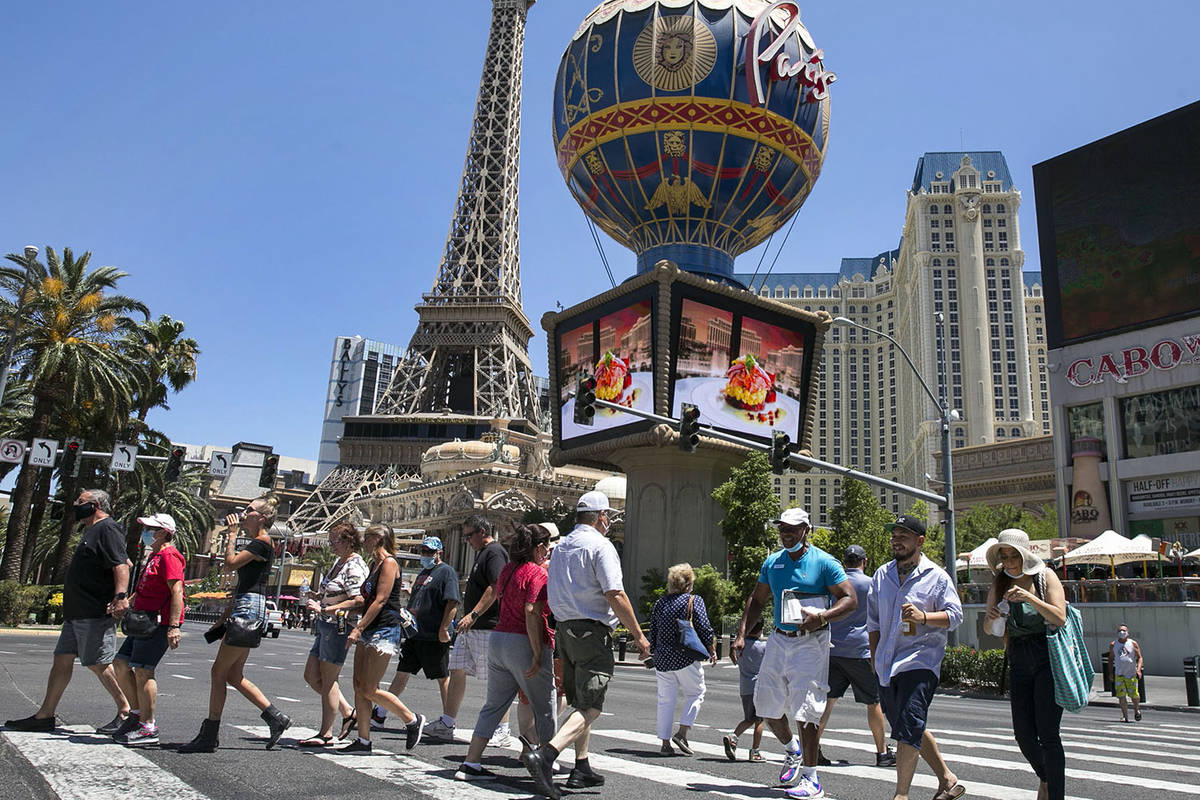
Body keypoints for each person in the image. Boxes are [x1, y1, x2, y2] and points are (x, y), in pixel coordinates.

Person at [521, 490, 650, 800]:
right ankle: (547, 754)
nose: (609, 523)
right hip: (592, 632)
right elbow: (615, 594)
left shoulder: (561, 546)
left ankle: (582, 766)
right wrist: (639, 636)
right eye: (608, 518)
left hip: (564, 630)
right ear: (601, 517)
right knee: (591, 705)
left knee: (579, 699)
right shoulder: (601, 546)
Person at [730, 507, 856, 800]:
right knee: (765, 707)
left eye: (792, 529)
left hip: (811, 641)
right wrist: (740, 635)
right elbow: (757, 598)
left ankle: (812, 780)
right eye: (782, 529)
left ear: (805, 530)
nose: (786, 534)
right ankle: (792, 750)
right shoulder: (773, 562)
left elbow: (850, 599)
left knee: (806, 708)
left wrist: (823, 617)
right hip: (779, 638)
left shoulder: (824, 562)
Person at [5, 489, 132, 734]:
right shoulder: (92, 531)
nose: (75, 505)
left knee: (99, 663)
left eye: (80, 502)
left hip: (94, 610)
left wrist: (120, 597)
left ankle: (126, 710)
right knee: (62, 660)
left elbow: (121, 564)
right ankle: (45, 715)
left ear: (95, 505)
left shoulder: (108, 528)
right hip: (77, 612)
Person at [179, 494, 292, 753]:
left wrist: (230, 534)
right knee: (232, 674)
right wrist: (223, 617)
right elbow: (244, 583)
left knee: (218, 672)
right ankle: (275, 717)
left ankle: (210, 733)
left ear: (261, 518)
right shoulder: (258, 542)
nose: (244, 513)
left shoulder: (262, 543)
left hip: (250, 607)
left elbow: (230, 565)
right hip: (247, 605)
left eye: (249, 510)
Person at [867, 515, 965, 800]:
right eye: (894, 534)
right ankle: (947, 779)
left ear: (920, 541)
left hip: (921, 660)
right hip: (887, 664)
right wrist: (874, 661)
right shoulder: (881, 575)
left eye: (904, 535)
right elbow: (872, 623)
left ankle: (901, 795)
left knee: (908, 723)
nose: (896, 539)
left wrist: (924, 617)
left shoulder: (937, 576)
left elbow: (955, 616)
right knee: (909, 726)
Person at [456, 524, 558, 780]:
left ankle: (471, 762)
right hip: (522, 640)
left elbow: (501, 598)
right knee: (545, 704)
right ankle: (545, 760)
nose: (547, 551)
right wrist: (536, 653)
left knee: (493, 705)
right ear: (537, 548)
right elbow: (532, 611)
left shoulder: (508, 570)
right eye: (544, 545)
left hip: (498, 638)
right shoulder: (537, 573)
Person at [985, 528, 1069, 800]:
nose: (1009, 562)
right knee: (1023, 734)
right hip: (1018, 658)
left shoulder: (1045, 576)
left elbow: (1060, 617)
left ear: (1024, 555)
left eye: (1013, 556)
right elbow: (990, 629)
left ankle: (1054, 794)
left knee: (1048, 734)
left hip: (1046, 656)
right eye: (1004, 557)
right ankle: (1046, 776)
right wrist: (994, 617)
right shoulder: (998, 583)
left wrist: (1030, 597)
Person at [341, 524, 426, 753]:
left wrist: (358, 628)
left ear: (378, 538)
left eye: (366, 537)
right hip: (370, 629)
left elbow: (380, 600)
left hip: (384, 630)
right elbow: (366, 600)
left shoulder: (389, 563)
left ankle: (411, 719)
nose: (363, 542)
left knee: (370, 688)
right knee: (359, 686)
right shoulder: (373, 563)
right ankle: (363, 740)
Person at [815, 544, 895, 767]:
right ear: (864, 561)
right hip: (861, 650)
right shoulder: (872, 584)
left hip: (833, 649)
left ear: (844, 562)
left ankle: (814, 748)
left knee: (826, 702)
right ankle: (882, 753)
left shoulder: (836, 584)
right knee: (873, 701)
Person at [110, 513, 186, 746]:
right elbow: (144, 589)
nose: (145, 533)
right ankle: (136, 714)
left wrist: (173, 626)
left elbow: (177, 592)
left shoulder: (170, 556)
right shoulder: (155, 555)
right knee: (121, 664)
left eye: (149, 529)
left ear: (163, 532)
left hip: (158, 623)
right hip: (142, 620)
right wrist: (126, 603)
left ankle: (148, 726)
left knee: (144, 671)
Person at [437, 515, 511, 744]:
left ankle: (503, 728)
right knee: (457, 668)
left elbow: (496, 585)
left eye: (469, 535)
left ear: (482, 531)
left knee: (495, 679)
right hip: (471, 627)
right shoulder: (482, 553)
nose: (466, 540)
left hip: (486, 626)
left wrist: (474, 614)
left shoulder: (495, 552)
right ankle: (447, 722)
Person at [374, 536, 460, 733]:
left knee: (442, 676)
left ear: (439, 553)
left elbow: (452, 602)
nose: (425, 555)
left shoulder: (446, 572)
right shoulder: (423, 573)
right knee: (402, 673)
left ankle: (448, 720)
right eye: (423, 551)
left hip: (433, 634)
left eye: (429, 552)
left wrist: (444, 628)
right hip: (414, 633)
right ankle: (380, 713)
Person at [298, 520, 369, 746]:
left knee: (329, 679)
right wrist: (316, 597)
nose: (331, 546)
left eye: (335, 541)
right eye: (330, 541)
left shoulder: (354, 566)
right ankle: (349, 712)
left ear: (349, 541)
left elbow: (359, 599)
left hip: (339, 625)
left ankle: (325, 733)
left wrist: (326, 608)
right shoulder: (339, 562)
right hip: (326, 624)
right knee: (311, 675)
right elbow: (333, 592)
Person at [649, 562, 716, 755]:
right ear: (688, 584)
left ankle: (664, 743)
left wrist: (653, 651)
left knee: (665, 700)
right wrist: (711, 648)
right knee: (696, 692)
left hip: (662, 658)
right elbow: (703, 626)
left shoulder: (660, 603)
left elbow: (653, 629)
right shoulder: (694, 600)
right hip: (684, 655)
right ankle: (682, 732)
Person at [722, 617, 767, 763]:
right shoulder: (763, 647)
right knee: (759, 720)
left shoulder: (740, 646)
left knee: (749, 718)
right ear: (761, 630)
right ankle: (755, 751)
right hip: (759, 687)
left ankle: (733, 737)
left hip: (745, 687)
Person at [1109, 623, 1144, 723]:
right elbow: (1111, 659)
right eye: (1120, 630)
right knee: (1121, 696)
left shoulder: (1133, 644)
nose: (1122, 632)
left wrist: (1138, 669)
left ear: (1128, 633)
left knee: (1134, 695)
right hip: (1119, 674)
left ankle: (1137, 710)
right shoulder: (1113, 644)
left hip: (1131, 674)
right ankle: (1125, 716)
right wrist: (1111, 673)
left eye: (1124, 630)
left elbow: (1140, 657)